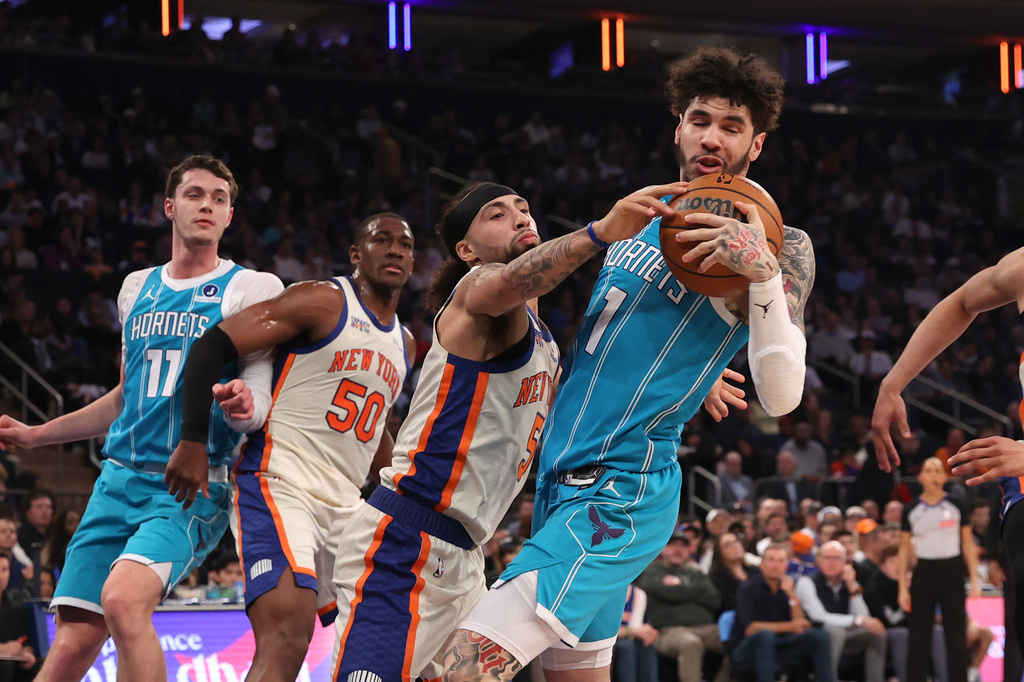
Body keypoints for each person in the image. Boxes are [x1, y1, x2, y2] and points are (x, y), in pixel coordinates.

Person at [442, 46, 814, 680]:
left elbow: (782, 397)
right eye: (700, 120)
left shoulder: (784, 245)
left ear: (756, 146)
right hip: (559, 481)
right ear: (677, 127)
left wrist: (761, 280)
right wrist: (693, 377)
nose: (712, 138)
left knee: (460, 666)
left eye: (732, 127)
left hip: (622, 488)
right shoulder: (643, 217)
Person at [330, 180, 684, 682]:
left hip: (465, 558)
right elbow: (508, 284)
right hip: (404, 541)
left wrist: (683, 383)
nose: (520, 217)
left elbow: (592, 395)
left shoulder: (544, 342)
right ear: (466, 249)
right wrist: (599, 233)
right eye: (496, 214)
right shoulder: (476, 290)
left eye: (523, 207)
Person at [0, 155, 283, 682]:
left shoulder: (253, 288)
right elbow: (125, 398)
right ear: (170, 207)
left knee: (124, 603)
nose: (208, 205)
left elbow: (260, 392)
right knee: (72, 642)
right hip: (116, 479)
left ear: (230, 216)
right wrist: (37, 435)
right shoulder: (135, 288)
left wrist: (248, 406)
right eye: (196, 194)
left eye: (219, 198)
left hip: (186, 486)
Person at [173, 213, 415, 681]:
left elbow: (375, 430)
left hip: (346, 503)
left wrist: (407, 494)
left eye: (404, 244)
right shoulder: (322, 300)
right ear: (356, 255)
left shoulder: (405, 343)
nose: (395, 251)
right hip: (281, 481)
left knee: (389, 632)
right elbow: (212, 345)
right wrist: (193, 439)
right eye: (381, 241)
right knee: (288, 634)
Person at [898, 458, 979, 682]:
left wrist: (973, 579)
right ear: (921, 476)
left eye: (937, 471)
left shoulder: (956, 506)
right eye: (928, 470)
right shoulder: (911, 509)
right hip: (923, 573)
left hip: (952, 572)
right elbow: (904, 551)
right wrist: (903, 588)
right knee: (919, 636)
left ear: (944, 476)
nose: (933, 475)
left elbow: (968, 544)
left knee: (956, 637)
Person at [728, 544, 833, 682]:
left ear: (786, 566)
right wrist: (789, 626)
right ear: (762, 564)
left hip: (781, 645)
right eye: (771, 560)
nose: (775, 565)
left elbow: (800, 625)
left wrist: (792, 595)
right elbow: (751, 629)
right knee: (766, 636)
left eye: (780, 561)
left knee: (819, 635)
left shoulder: (787, 588)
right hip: (748, 647)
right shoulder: (747, 588)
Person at [637, 531, 729, 682]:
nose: (678, 550)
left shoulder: (696, 573)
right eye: (673, 545)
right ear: (663, 548)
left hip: (705, 628)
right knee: (691, 643)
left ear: (689, 550)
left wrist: (679, 587)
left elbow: (714, 599)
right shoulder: (652, 571)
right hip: (668, 631)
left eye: (683, 546)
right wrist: (697, 590)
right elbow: (669, 593)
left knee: (734, 637)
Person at [794, 540, 887, 682]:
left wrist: (852, 585)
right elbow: (818, 616)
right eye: (827, 558)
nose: (832, 562)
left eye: (837, 558)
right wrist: (857, 620)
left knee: (875, 632)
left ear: (845, 562)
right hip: (815, 634)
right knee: (835, 631)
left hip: (845, 633)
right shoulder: (807, 582)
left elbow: (864, 616)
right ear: (818, 560)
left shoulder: (847, 581)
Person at [0, 553, 37, 682]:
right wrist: (4, 649)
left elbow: (24, 639)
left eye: (5, 570)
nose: (0, 576)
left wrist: (25, 653)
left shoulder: (14, 606)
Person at [613, 584, 659, 682]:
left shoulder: (638, 594)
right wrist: (632, 630)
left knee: (646, 646)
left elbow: (635, 627)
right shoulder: (605, 592)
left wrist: (645, 632)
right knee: (626, 646)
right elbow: (601, 630)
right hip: (606, 639)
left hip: (626, 636)